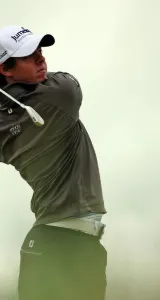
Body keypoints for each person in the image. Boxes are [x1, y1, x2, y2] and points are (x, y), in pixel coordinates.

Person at [0, 25, 107, 300]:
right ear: (5, 69)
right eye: (29, 56)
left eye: (40, 51)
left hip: (52, 242)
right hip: (62, 244)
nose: (41, 59)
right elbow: (65, 82)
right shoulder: (61, 95)